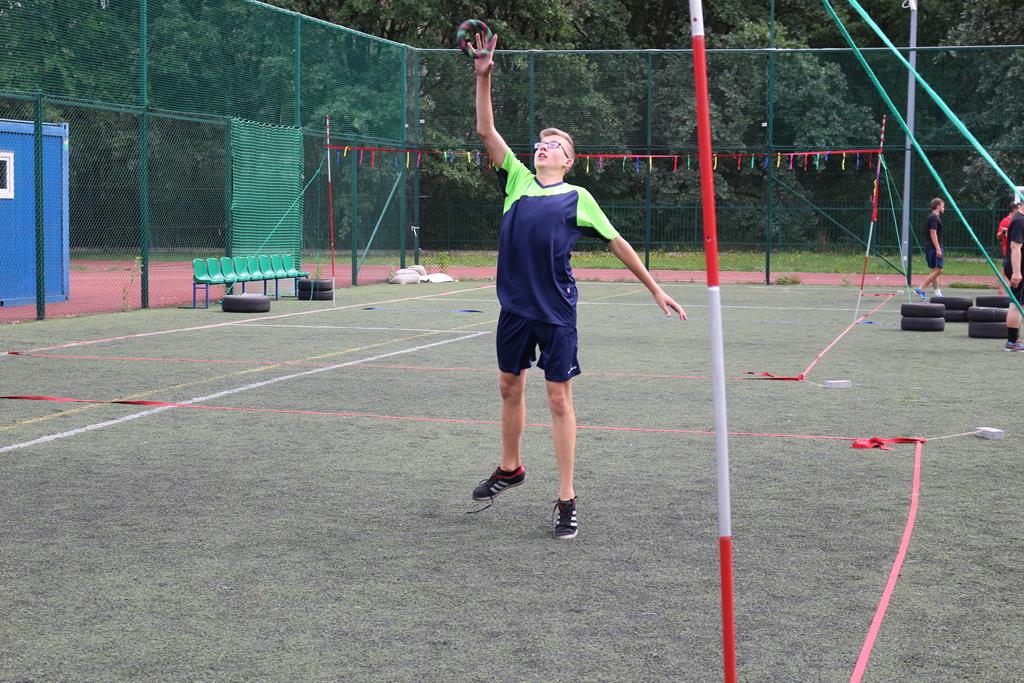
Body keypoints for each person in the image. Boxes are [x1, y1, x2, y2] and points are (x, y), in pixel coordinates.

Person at [468, 31, 686, 539]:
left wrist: (655, 288)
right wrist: (483, 78)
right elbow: (485, 131)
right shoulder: (517, 179)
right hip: (515, 306)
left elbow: (617, 242)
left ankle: (566, 498)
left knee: (559, 399)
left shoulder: (578, 197)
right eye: (541, 143)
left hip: (556, 309)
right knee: (508, 385)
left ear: (567, 160)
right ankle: (511, 468)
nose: (543, 147)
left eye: (555, 145)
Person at [1003, 199, 1024, 351]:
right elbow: (1015, 247)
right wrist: (1016, 273)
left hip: (1020, 267)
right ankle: (1012, 341)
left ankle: (1014, 339)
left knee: (1019, 302)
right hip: (1018, 268)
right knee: (1017, 303)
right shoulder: (1019, 221)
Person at [914, 198, 945, 300]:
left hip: (931, 247)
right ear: (938, 206)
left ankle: (937, 293)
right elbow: (933, 233)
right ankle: (921, 288)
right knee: (939, 270)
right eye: (942, 206)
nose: (944, 208)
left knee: (935, 270)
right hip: (933, 247)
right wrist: (938, 248)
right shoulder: (933, 217)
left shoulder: (934, 217)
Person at [996, 201, 1018, 295]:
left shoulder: (1019, 220)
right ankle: (1001, 292)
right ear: (1014, 209)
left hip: (1018, 251)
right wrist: (1003, 232)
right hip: (1009, 251)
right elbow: (998, 237)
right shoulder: (1006, 221)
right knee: (1005, 271)